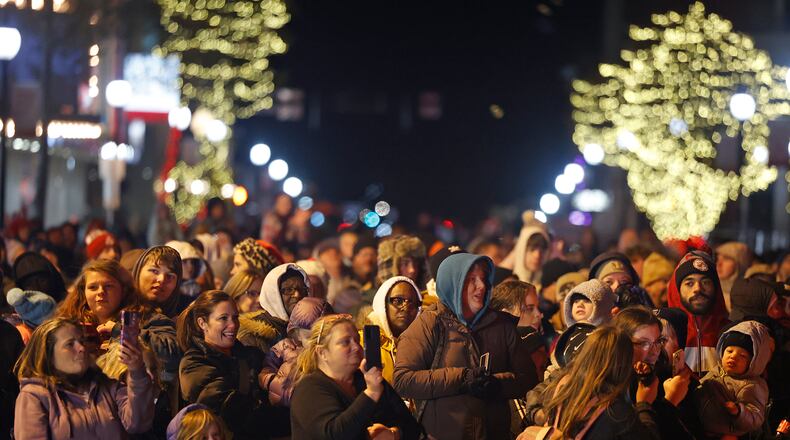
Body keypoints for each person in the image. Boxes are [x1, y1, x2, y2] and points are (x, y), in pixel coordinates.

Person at [393, 253, 536, 439]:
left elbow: (528, 378)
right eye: (471, 280)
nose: (482, 286)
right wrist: (462, 378)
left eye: (484, 279)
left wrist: (497, 384)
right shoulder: (429, 323)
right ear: (453, 283)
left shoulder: (501, 326)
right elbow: (403, 380)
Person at [13, 317, 154, 438]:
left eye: (82, 341)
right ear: (48, 354)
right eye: (70, 344)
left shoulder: (108, 387)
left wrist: (137, 372)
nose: (81, 348)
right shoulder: (35, 396)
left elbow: (138, 424)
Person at [290, 314, 421, 439]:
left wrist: (394, 434)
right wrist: (371, 393)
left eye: (357, 340)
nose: (356, 347)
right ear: (322, 352)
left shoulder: (365, 379)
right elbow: (334, 434)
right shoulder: (309, 388)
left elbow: (411, 426)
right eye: (345, 342)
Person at [520, 325, 660, 440]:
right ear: (623, 365)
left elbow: (534, 397)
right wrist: (644, 403)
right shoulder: (616, 411)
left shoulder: (562, 385)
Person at [177, 290, 273, 439]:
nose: (233, 325)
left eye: (235, 317)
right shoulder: (194, 363)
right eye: (223, 318)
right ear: (202, 323)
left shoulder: (250, 355)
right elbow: (226, 411)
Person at [695, 320, 772, 438]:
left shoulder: (752, 386)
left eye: (742, 356)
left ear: (754, 362)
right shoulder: (716, 370)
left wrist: (739, 412)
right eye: (729, 351)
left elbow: (756, 417)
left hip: (727, 434)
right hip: (702, 427)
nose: (733, 357)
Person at [259, 297, 333, 406]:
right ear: (297, 333)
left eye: (321, 337)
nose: (315, 342)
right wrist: (270, 381)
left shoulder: (326, 356)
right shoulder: (285, 346)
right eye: (309, 337)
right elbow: (268, 366)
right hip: (280, 406)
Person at [667, 251, 729, 375]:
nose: (698, 289)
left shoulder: (729, 332)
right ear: (678, 290)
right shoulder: (665, 334)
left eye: (705, 282)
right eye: (689, 283)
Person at [361, 276, 422, 383]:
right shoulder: (362, 341)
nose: (405, 307)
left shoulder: (422, 344)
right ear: (382, 304)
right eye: (398, 301)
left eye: (412, 302)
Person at [238, 263, 310, 352]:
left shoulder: (309, 327)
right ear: (273, 294)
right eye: (288, 290)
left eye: (302, 289)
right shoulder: (252, 336)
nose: (297, 295)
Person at [132, 246, 190, 319]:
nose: (161, 279)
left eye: (170, 276)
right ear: (138, 272)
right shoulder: (116, 308)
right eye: (154, 271)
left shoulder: (180, 326)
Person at [501, 210, 550, 287]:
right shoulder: (503, 284)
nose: (537, 255)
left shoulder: (546, 286)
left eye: (543, 250)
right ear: (522, 248)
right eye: (532, 249)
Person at [716, 242, 752, 311]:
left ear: (740, 263)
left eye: (726, 258)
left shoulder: (750, 296)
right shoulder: (711, 292)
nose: (719, 264)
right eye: (718, 259)